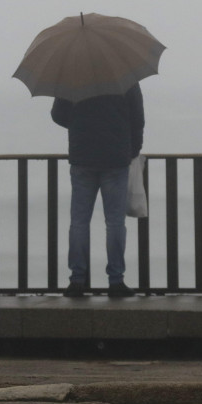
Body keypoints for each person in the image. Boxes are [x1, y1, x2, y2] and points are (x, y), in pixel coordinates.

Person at [50, 84, 144, 297]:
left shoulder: (74, 76)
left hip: (82, 156)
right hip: (116, 157)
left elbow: (57, 114)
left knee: (79, 222)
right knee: (115, 223)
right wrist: (133, 150)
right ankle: (116, 280)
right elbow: (137, 118)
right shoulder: (125, 78)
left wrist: (80, 124)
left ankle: (77, 280)